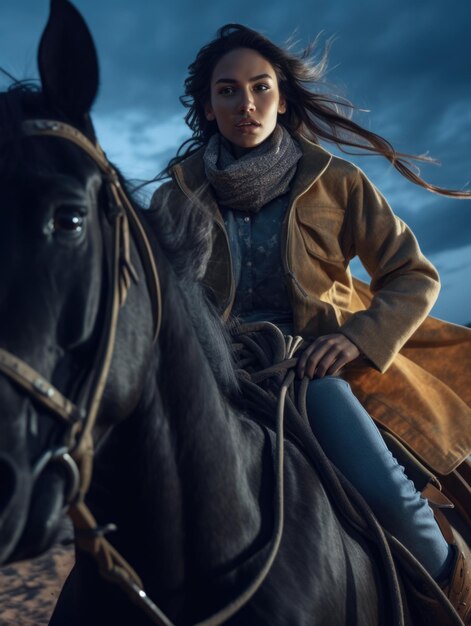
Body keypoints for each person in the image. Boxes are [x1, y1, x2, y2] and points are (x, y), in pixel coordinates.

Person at [149, 24, 471, 621]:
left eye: (260, 87)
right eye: (227, 90)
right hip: (210, 369)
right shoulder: (177, 198)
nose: (245, 104)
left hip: (307, 369)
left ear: (283, 98)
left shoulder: (338, 183)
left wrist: (354, 339)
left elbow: (413, 275)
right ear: (207, 106)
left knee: (391, 498)